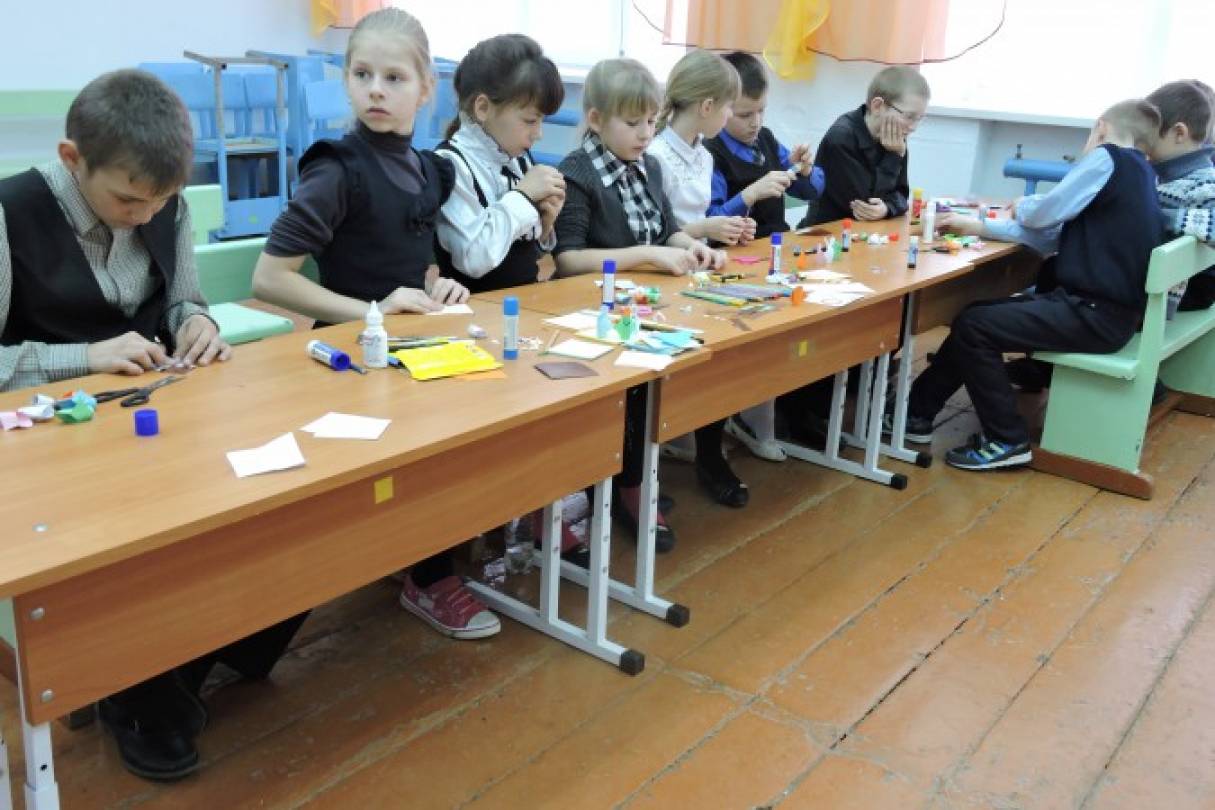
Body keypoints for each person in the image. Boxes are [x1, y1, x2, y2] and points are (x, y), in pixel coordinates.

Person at [0, 67, 303, 782]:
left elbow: (183, 301)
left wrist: (196, 324)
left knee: (277, 502)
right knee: (134, 547)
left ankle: (181, 662)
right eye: (128, 200)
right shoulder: (11, 214)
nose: (145, 215)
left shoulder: (164, 203)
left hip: (155, 420)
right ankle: (143, 695)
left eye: (161, 200)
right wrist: (85, 356)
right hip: (45, 450)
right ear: (73, 158)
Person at [253, 8, 499, 639]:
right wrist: (374, 310)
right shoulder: (336, 169)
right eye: (362, 75)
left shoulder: (426, 168)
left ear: (426, 89)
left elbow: (413, 263)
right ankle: (428, 578)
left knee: (484, 413)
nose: (376, 90)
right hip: (347, 362)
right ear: (346, 81)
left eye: (394, 78)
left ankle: (425, 557)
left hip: (407, 349)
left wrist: (436, 283)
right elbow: (271, 279)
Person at [903, 100, 1164, 470]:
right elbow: (1054, 234)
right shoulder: (1142, 175)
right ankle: (915, 414)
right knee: (975, 315)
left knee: (975, 328)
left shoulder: (1108, 158)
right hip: (1107, 313)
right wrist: (982, 227)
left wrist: (1022, 204)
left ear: (1101, 127)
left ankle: (1006, 439)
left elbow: (1044, 214)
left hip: (1091, 314)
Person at [553, 57, 723, 549]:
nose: (646, 134)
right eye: (633, 123)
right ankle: (622, 486)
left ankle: (630, 480)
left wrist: (693, 247)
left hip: (643, 308)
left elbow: (667, 228)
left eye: (651, 121)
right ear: (596, 120)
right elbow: (568, 259)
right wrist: (648, 254)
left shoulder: (649, 166)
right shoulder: (577, 172)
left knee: (652, 393)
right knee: (618, 403)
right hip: (588, 315)